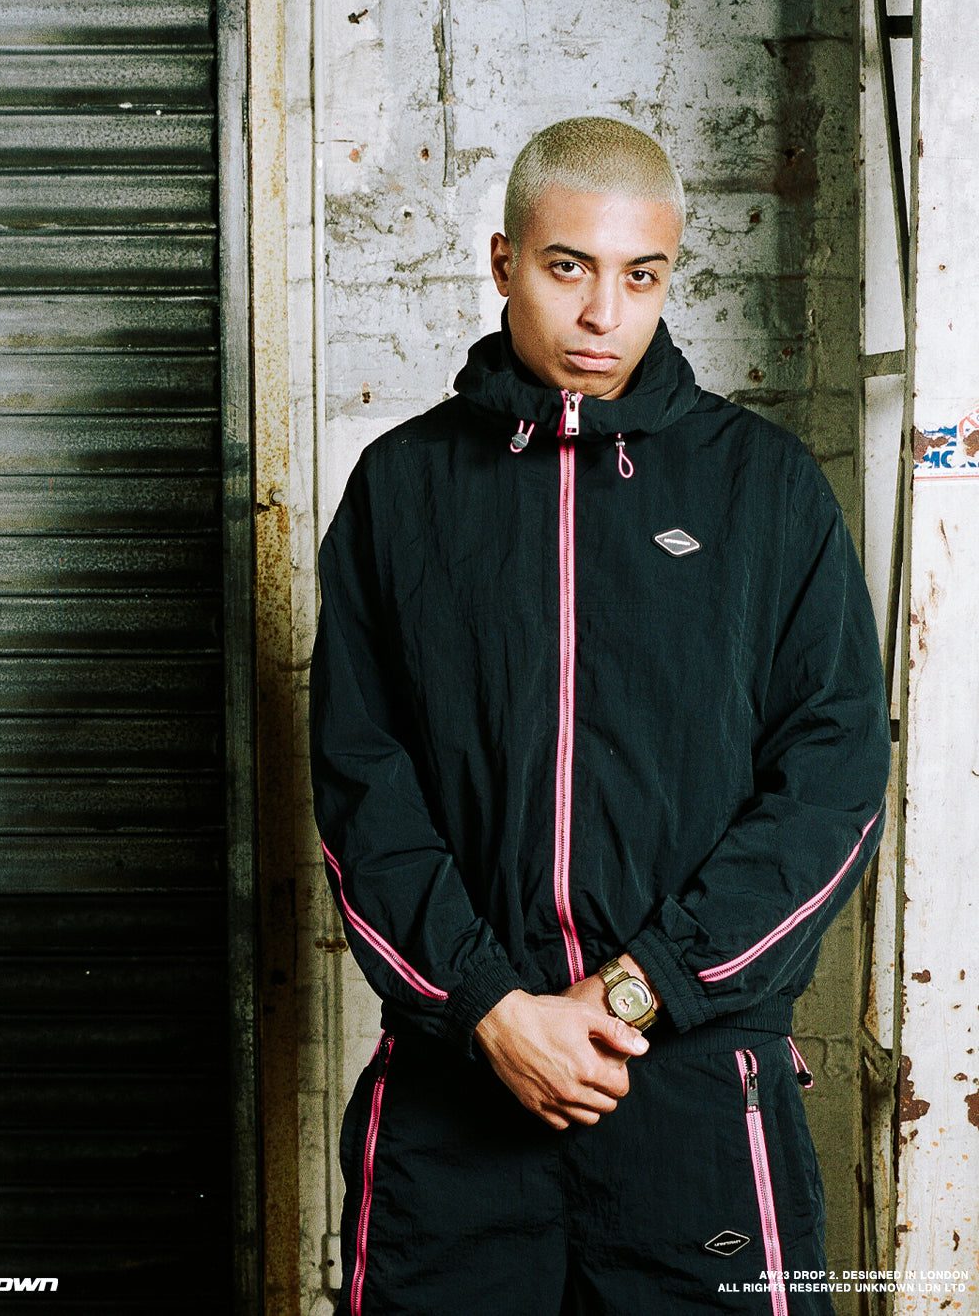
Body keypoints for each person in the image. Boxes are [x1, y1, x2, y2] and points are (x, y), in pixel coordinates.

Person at [309, 117, 890, 1316]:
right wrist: (491, 1008)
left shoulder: (765, 488)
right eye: (568, 266)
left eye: (642, 276)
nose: (601, 315)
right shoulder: (402, 489)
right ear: (504, 260)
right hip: (459, 1093)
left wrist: (635, 991)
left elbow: (832, 787)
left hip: (693, 1091)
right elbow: (361, 784)